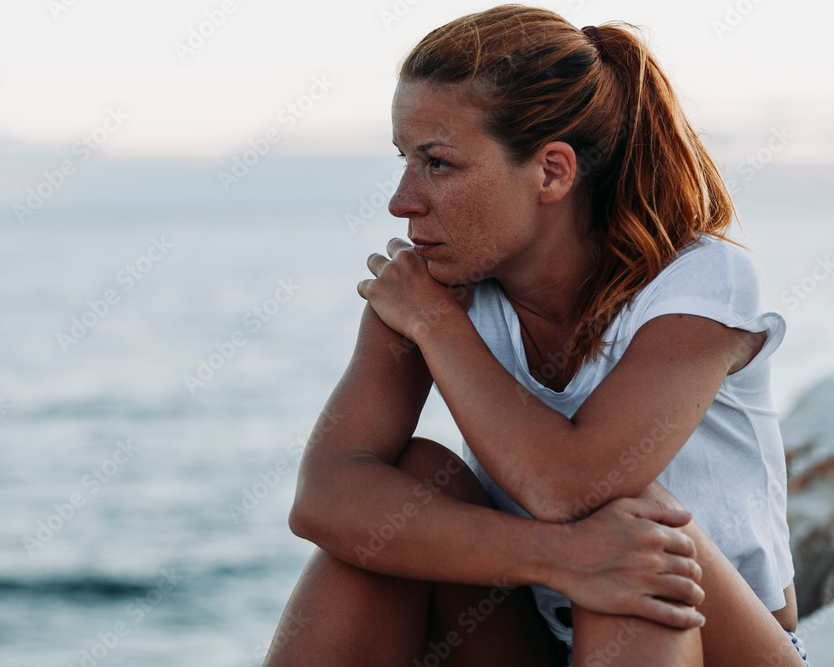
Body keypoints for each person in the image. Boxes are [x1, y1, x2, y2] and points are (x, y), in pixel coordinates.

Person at [265, 5, 807, 665]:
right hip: (532, 636)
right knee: (409, 484)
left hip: (720, 644)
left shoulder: (699, 283)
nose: (403, 200)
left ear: (551, 172)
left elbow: (572, 485)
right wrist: (563, 560)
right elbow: (323, 498)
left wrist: (436, 325)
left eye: (437, 163)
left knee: (641, 537)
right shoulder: (430, 283)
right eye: (404, 159)